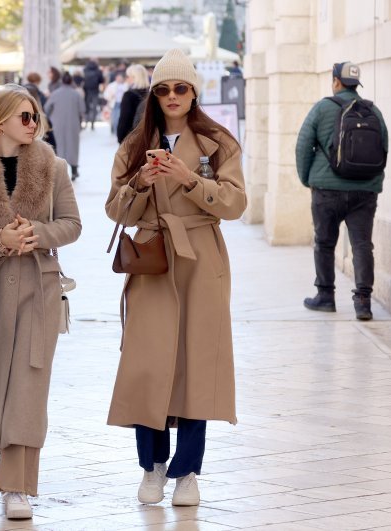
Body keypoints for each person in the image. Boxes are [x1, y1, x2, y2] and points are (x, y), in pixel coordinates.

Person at [104, 48, 246, 507]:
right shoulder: (134, 143)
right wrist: (141, 182)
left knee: (196, 364)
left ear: (194, 91)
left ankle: (188, 472)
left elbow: (235, 204)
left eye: (180, 87)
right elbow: (114, 209)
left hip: (202, 258)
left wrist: (188, 178)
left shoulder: (218, 141)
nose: (172, 96)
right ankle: (152, 466)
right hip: (152, 258)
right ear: (153, 94)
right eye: (162, 88)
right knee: (148, 364)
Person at [0, 84, 81, 520]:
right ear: (0, 119)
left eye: (36, 117)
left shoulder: (53, 167)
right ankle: (14, 481)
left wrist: (35, 235)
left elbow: (72, 224)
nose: (33, 125)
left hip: (39, 288)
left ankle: (15, 487)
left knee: (28, 385)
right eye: (25, 117)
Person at [296, 61, 388, 320]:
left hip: (326, 188)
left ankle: (325, 296)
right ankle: (363, 302)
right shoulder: (374, 111)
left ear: (335, 81)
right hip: (365, 192)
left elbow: (303, 144)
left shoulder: (323, 108)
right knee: (362, 245)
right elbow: (384, 148)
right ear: (356, 84)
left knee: (324, 243)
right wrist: (372, 183)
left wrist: (307, 179)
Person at [45, 72, 85, 180]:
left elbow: (47, 108)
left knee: (59, 145)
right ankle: (74, 169)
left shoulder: (55, 93)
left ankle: (60, 170)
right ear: (71, 81)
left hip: (57, 123)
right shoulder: (76, 94)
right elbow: (82, 110)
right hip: (73, 123)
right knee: (73, 146)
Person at [117, 64, 150, 144]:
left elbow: (124, 121)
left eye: (128, 76)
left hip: (131, 140)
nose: (126, 79)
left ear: (135, 78)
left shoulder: (129, 95)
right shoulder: (151, 94)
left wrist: (120, 139)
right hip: (148, 138)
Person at [82, 59, 104, 130]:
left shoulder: (85, 69)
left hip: (87, 91)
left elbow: (83, 80)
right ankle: (92, 123)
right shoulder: (98, 70)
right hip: (95, 91)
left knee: (87, 107)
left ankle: (85, 122)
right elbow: (101, 80)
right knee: (94, 108)